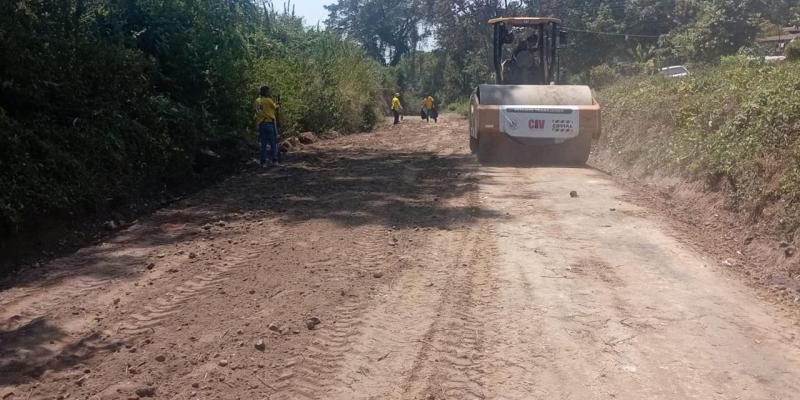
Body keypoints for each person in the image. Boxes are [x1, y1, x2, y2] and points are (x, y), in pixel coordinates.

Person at [254, 85, 280, 167]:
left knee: (263, 144)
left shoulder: (257, 101)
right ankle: (274, 160)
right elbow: (275, 107)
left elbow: (256, 111)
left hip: (261, 124)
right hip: (270, 123)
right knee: (273, 143)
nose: (270, 92)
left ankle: (263, 162)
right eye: (268, 91)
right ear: (265, 92)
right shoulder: (268, 100)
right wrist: (278, 103)